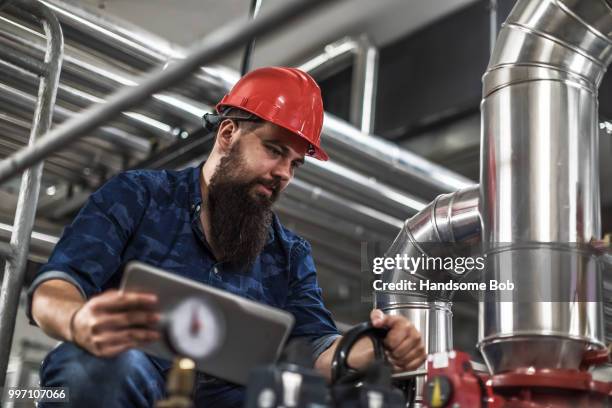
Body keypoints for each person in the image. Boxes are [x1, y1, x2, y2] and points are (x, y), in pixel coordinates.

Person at [28, 67, 426, 407]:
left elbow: (317, 348)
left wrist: (375, 347)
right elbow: (54, 289)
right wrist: (80, 320)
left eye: (294, 164)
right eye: (273, 150)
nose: (284, 173)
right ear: (228, 133)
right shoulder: (139, 196)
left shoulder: (288, 254)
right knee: (107, 366)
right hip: (121, 379)